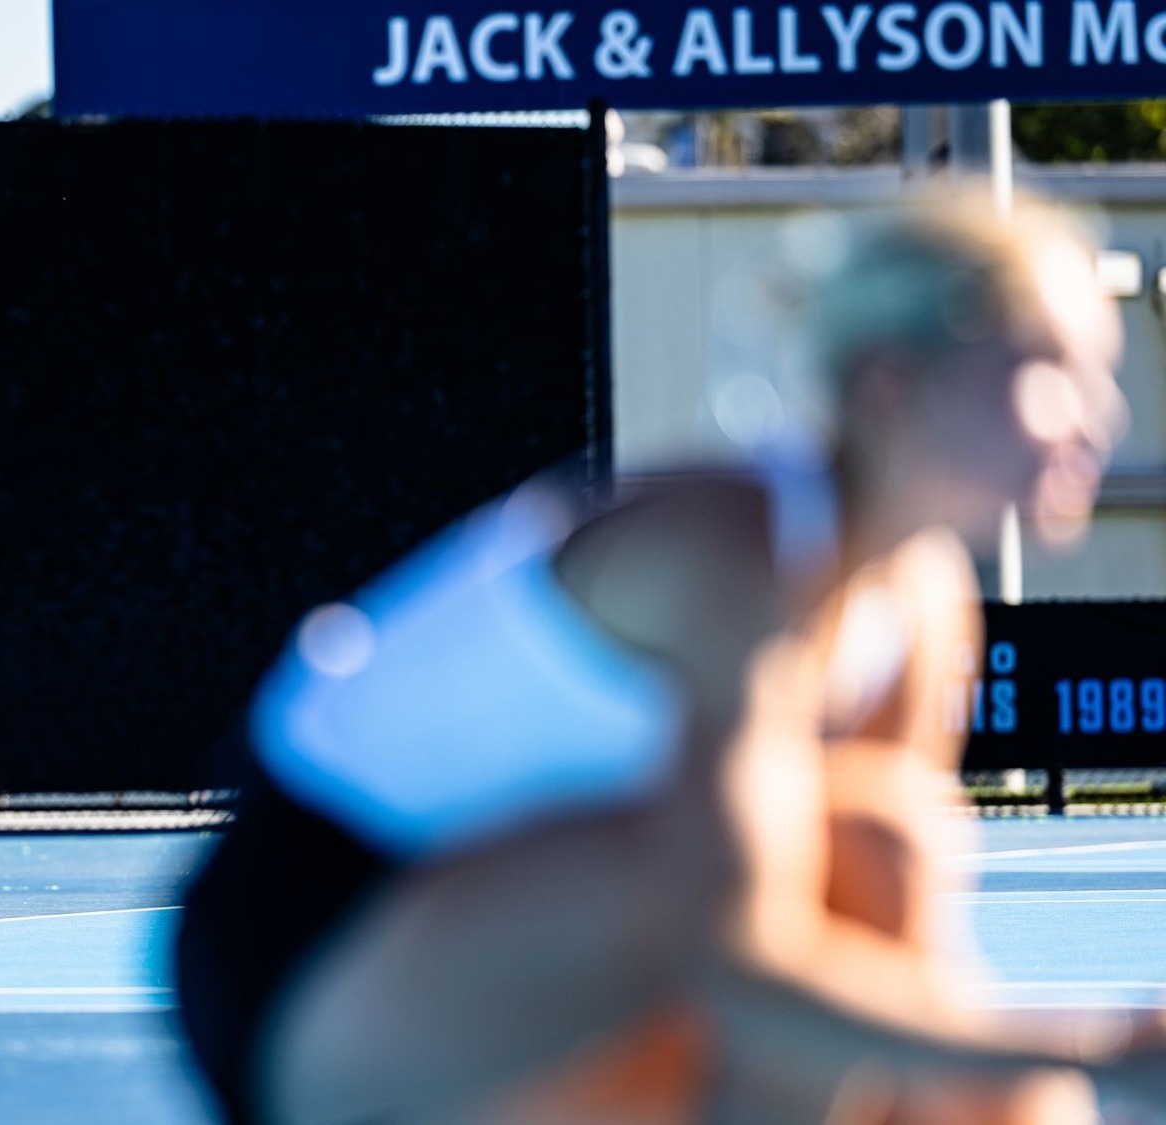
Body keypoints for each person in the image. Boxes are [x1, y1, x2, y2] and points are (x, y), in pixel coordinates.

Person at [174, 187, 1156, 1124]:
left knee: (927, 962)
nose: (1099, 417)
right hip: (303, 962)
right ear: (890, 387)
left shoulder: (922, 600)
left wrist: (1038, 1084)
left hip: (534, 980)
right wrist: (1097, 1050)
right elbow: (739, 958)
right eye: (1050, 369)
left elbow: (884, 964)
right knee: (851, 850)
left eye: (1103, 371)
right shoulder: (723, 552)